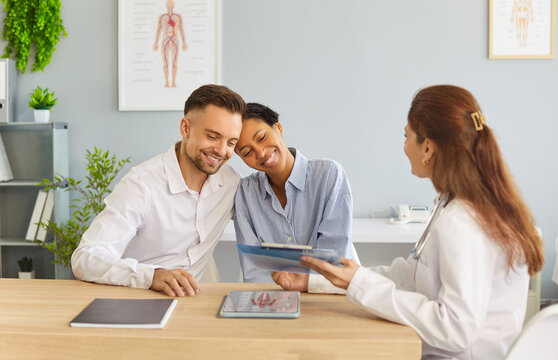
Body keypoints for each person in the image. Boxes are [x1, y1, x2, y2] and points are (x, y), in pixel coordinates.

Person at [277, 85, 545, 359]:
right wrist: (324, 281)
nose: (404, 147)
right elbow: (414, 276)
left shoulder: (461, 222)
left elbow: (456, 329)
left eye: (407, 136)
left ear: (427, 146)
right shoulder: (459, 205)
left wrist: (358, 282)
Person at [72, 84, 246, 297]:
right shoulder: (142, 184)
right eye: (212, 137)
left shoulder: (230, 183)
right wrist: (152, 276)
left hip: (195, 306)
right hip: (140, 300)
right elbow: (86, 257)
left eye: (231, 142)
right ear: (185, 128)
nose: (221, 150)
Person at [233, 103, 355, 292]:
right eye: (247, 152)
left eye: (262, 138)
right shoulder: (246, 192)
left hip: (327, 297)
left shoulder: (329, 175)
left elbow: (333, 263)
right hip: (271, 301)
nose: (260, 153)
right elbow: (254, 272)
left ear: (278, 127)